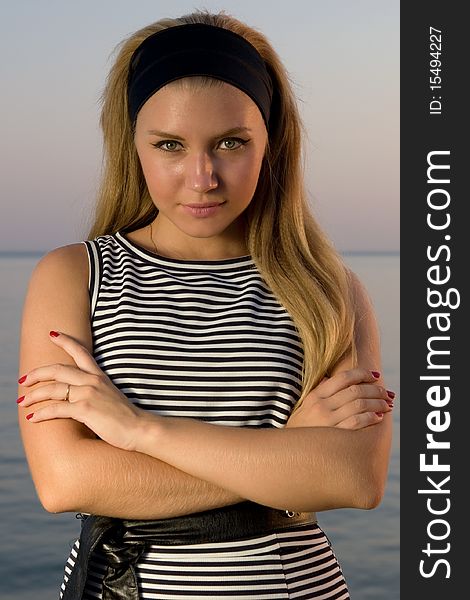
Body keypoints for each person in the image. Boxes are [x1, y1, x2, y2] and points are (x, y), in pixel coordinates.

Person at [17, 9, 394, 600]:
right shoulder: (73, 275)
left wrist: (138, 430)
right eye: (169, 144)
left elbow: (354, 478)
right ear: (133, 146)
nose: (202, 177)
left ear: (270, 142)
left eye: (230, 143)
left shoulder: (327, 288)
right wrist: (283, 457)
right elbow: (64, 481)